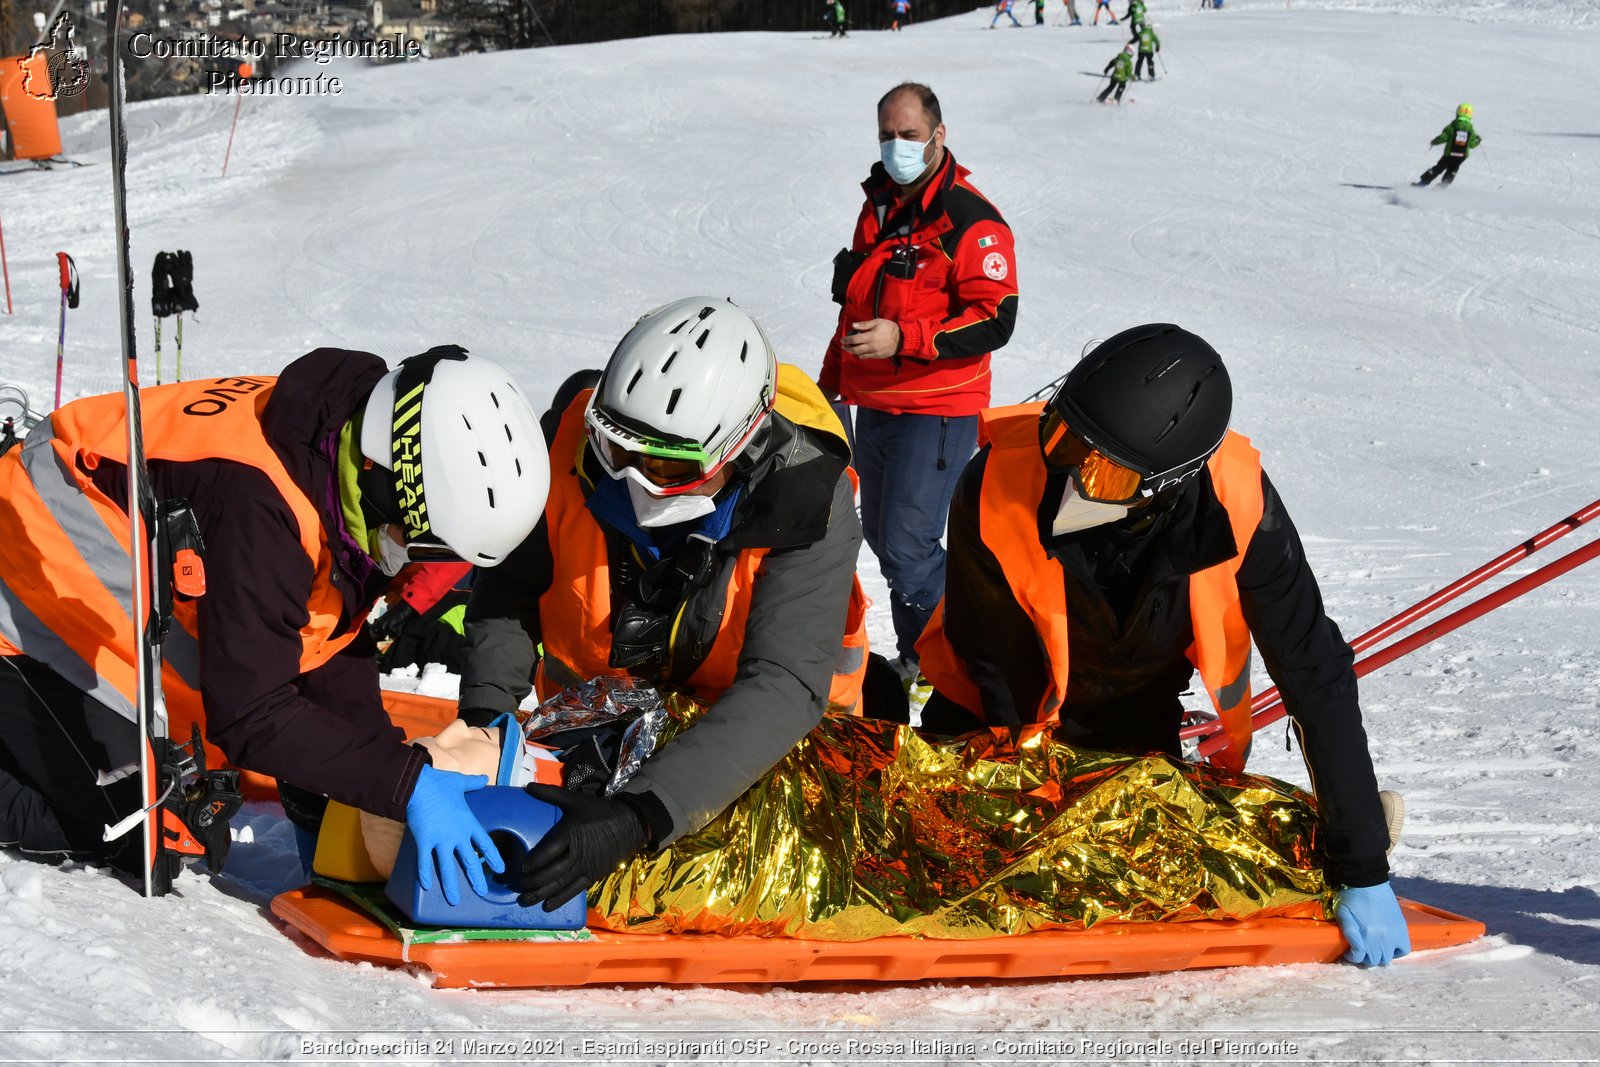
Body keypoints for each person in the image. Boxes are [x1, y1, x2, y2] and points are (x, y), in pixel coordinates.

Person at [915, 323, 1411, 967]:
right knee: (958, 858)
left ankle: (1334, 832)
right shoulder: (997, 483)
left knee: (1152, 863)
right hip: (990, 718)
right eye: (1062, 436)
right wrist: (1032, 810)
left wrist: (1363, 865)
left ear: (1165, 483)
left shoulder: (1239, 504)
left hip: (1134, 722)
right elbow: (996, 667)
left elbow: (1314, 668)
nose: (1065, 471)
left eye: (1104, 472)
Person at [0, 346, 548, 903]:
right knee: (157, 835)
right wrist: (405, 785)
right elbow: (249, 714)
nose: (419, 563)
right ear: (396, 478)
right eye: (424, 541)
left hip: (79, 601)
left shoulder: (329, 444)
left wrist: (367, 774)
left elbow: (322, 632)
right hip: (24, 605)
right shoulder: (261, 504)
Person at [458, 297, 867, 911]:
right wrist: (486, 720)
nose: (635, 481)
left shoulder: (810, 500)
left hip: (765, 751)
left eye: (668, 465)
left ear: (739, 446)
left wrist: (639, 816)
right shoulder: (565, 446)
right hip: (598, 730)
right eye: (618, 451)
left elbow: (782, 685)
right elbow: (510, 589)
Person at [819, 82, 1019, 693]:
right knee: (882, 537)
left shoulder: (970, 220)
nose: (896, 147)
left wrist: (904, 338)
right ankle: (924, 653)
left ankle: (959, 666)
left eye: (909, 135)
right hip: (875, 403)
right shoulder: (879, 206)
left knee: (908, 545)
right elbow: (856, 305)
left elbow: (996, 318)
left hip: (936, 409)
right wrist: (831, 382)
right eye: (887, 135)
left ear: (939, 133)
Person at [1417, 104, 1481, 188]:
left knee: (1439, 168)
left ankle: (1422, 183)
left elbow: (1444, 137)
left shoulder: (1452, 127)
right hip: (1462, 156)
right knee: (1453, 169)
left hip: (1450, 154)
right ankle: (1443, 185)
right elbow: (1472, 145)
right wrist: (1478, 140)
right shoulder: (1471, 131)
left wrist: (1434, 141)